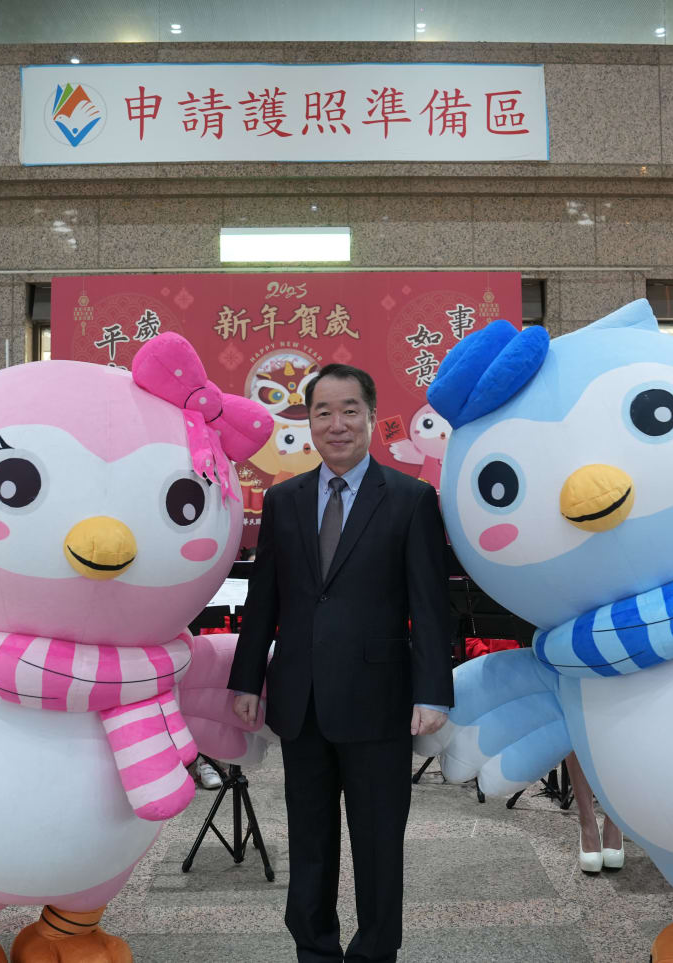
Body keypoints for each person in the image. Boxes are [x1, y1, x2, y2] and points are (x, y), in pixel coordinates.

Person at [229, 365, 454, 963]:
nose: (337, 425)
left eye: (349, 410)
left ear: (372, 419)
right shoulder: (282, 500)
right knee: (310, 839)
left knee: (379, 843)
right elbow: (265, 598)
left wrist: (433, 691)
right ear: (308, 422)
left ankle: (376, 951)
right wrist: (248, 677)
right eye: (323, 412)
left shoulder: (410, 500)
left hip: (379, 700)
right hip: (300, 699)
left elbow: (430, 605)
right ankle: (315, 950)